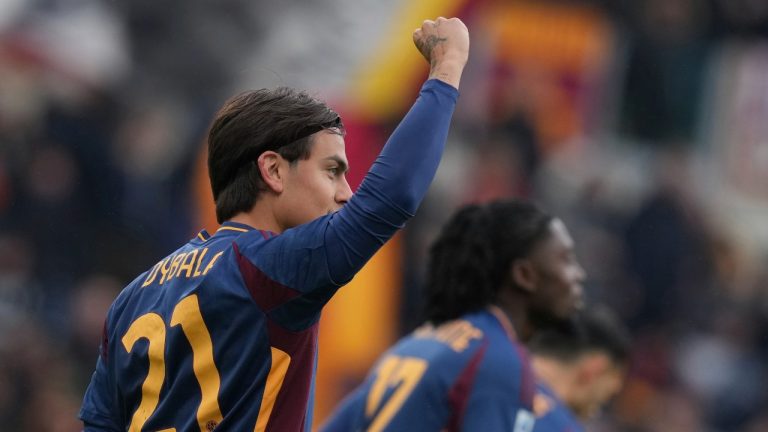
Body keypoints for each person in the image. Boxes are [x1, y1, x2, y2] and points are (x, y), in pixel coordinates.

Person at [78, 17, 469, 432]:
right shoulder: (271, 269)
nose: (345, 193)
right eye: (332, 171)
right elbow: (390, 200)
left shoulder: (132, 297)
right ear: (274, 171)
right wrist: (447, 68)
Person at [321, 198, 586, 431]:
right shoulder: (498, 361)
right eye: (566, 260)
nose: (578, 275)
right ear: (524, 275)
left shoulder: (422, 341)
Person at [528, 305, 631, 432]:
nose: (617, 389)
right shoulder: (560, 426)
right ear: (595, 369)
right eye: (616, 376)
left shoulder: (500, 365)